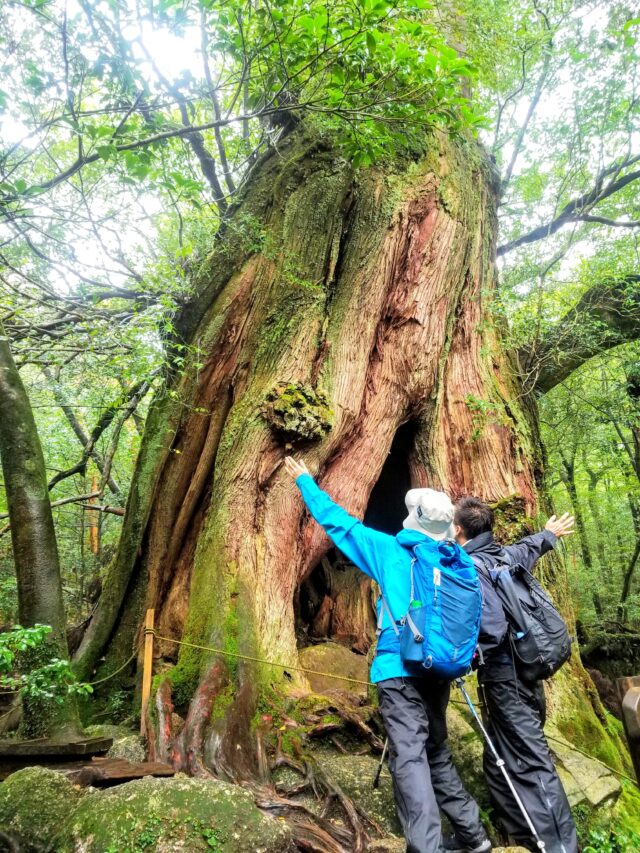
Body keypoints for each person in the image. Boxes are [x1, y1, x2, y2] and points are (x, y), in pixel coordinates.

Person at [284, 456, 491, 853]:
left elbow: (341, 526)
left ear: (412, 520)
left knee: (409, 759)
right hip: (439, 669)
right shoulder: (459, 561)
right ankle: (473, 836)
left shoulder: (392, 551)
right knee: (436, 751)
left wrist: (306, 482)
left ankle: (425, 847)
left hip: (398, 670)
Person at [453, 497, 578, 853]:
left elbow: (490, 628)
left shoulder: (471, 566)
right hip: (526, 674)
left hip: (506, 678)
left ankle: (561, 848)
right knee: (497, 761)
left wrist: (463, 660)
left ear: (459, 530)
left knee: (534, 764)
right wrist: (548, 534)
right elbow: (528, 548)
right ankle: (524, 837)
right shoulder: (502, 555)